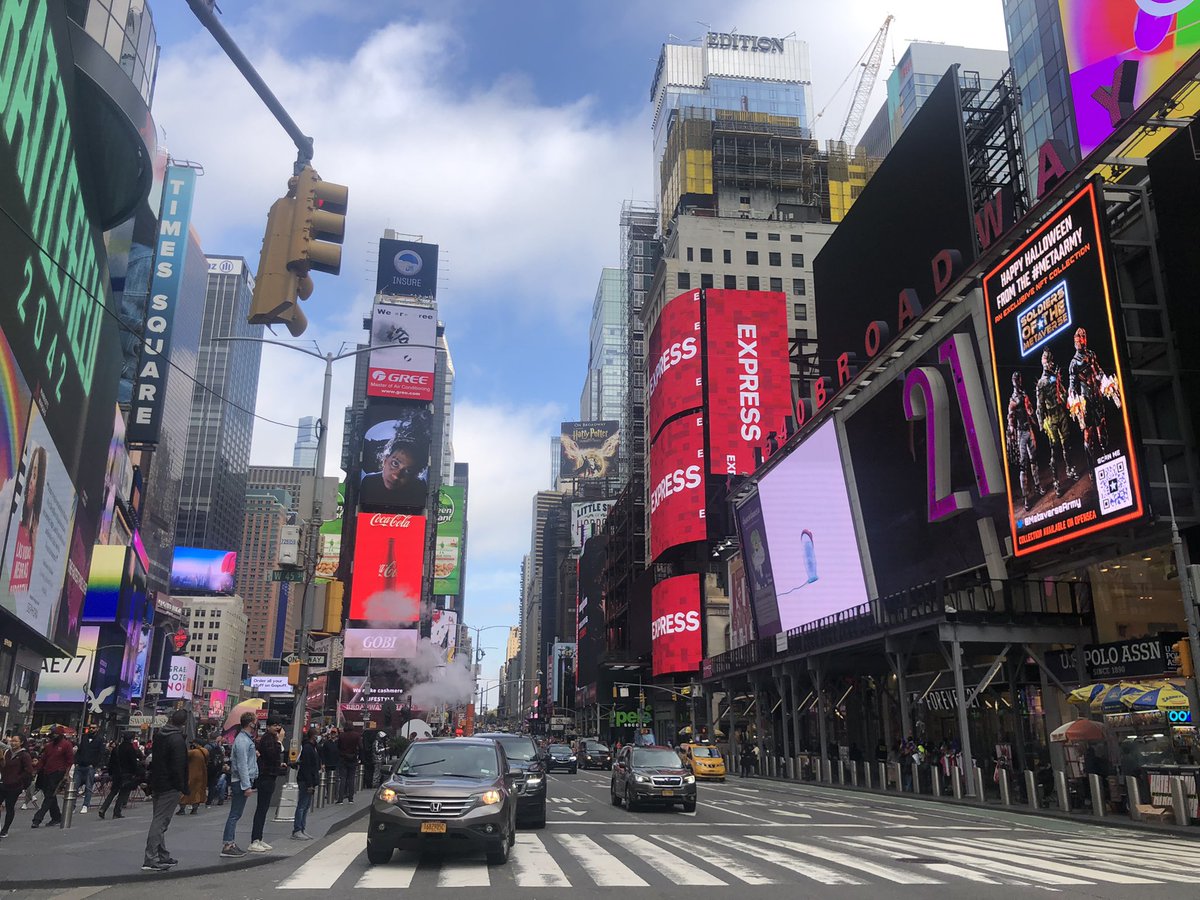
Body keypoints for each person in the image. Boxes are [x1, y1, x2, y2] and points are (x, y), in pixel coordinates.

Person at [143, 709, 188, 872]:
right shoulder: (177, 740)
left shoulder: (160, 736)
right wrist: (182, 786)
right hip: (170, 785)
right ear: (184, 723)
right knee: (160, 821)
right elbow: (178, 766)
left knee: (159, 819)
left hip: (158, 782)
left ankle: (162, 855)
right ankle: (151, 858)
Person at [221, 712, 259, 858]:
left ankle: (230, 843)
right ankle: (228, 844)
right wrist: (247, 785)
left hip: (241, 780)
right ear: (250, 723)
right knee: (235, 814)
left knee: (236, 814)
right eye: (255, 721)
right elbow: (242, 764)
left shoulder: (245, 739)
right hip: (240, 782)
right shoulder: (243, 741)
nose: (256, 724)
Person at [359, 434, 428, 507]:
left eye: (408, 470)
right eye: (395, 463)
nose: (396, 476)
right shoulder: (369, 482)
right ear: (385, 460)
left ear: (415, 475)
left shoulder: (419, 489)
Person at [249, 719, 285, 852]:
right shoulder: (268, 739)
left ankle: (258, 838)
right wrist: (280, 741)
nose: (277, 727)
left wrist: (279, 764)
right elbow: (272, 754)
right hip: (265, 777)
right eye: (275, 725)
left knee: (263, 809)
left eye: (278, 725)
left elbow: (272, 757)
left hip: (269, 775)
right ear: (268, 726)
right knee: (261, 809)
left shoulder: (270, 738)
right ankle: (254, 840)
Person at [31, 726, 73, 828]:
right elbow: (43, 760)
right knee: (50, 796)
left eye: (55, 734)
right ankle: (56, 817)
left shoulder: (66, 745)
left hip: (58, 773)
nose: (53, 736)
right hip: (46, 773)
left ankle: (38, 818)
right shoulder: (49, 746)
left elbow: (69, 761)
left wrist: (66, 774)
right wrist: (36, 771)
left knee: (50, 795)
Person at [99, 732, 142, 819]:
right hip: (127, 774)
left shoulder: (117, 748)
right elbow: (133, 763)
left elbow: (111, 762)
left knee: (113, 792)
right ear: (131, 739)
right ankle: (116, 812)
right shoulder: (130, 749)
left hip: (116, 774)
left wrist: (111, 773)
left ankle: (103, 808)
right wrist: (136, 773)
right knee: (123, 793)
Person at [1, 734, 34, 837]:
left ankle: (5, 830)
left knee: (9, 807)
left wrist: (17, 779)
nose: (13, 743)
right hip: (3, 783)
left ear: (21, 743)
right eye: (12, 741)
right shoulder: (7, 752)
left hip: (15, 786)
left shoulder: (24, 755)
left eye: (16, 741)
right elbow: (3, 766)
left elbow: (29, 771)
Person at [292, 728, 320, 841]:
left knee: (306, 805)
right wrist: (309, 784)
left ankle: (302, 828)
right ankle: (297, 829)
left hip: (309, 780)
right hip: (306, 780)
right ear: (313, 736)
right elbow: (307, 767)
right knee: (302, 805)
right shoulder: (308, 748)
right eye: (317, 735)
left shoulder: (312, 747)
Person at [74, 724, 105, 814]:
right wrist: (76, 761)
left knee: (88, 787)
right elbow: (80, 750)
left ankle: (85, 805)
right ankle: (72, 806)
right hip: (80, 765)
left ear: (97, 729)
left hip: (90, 766)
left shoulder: (100, 739)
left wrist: (94, 764)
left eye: (93, 728)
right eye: (90, 728)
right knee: (75, 787)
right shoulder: (84, 737)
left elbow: (101, 753)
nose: (91, 729)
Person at [177, 739, 208, 815]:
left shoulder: (193, 752)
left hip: (191, 774)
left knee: (185, 791)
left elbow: (182, 756)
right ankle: (195, 809)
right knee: (198, 792)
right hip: (202, 775)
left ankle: (182, 809)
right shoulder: (206, 752)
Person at [337, 724, 362, 803]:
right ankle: (350, 798)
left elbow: (338, 747)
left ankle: (340, 798)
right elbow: (361, 747)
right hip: (353, 758)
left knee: (343, 778)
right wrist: (358, 756)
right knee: (351, 778)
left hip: (343, 758)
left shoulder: (341, 736)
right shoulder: (357, 735)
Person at [320, 727, 340, 798]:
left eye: (334, 733)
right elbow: (323, 754)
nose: (333, 734)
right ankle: (329, 793)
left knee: (336, 779)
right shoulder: (326, 743)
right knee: (328, 779)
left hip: (337, 763)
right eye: (332, 733)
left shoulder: (339, 743)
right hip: (328, 764)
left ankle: (335, 794)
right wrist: (323, 763)